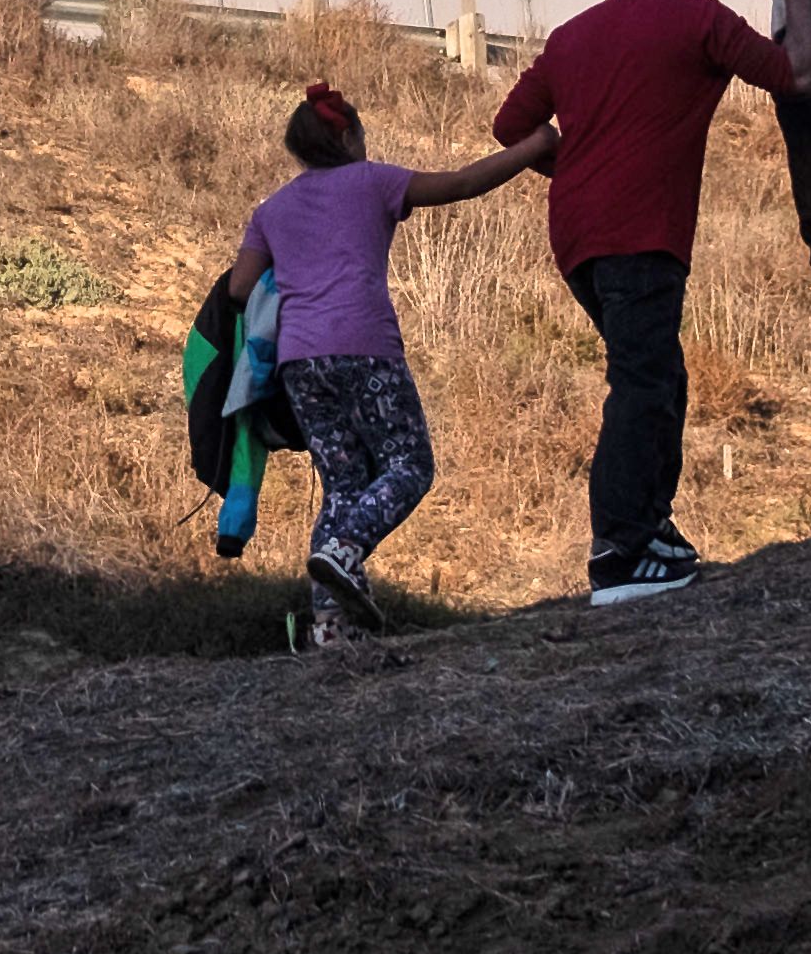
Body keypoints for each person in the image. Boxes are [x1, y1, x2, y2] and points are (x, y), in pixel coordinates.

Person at [489, 0, 811, 603]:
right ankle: (618, 548)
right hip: (641, 232)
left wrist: (570, 161)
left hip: (575, 236)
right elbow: (796, 75)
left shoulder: (571, 35)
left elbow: (509, 124)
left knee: (659, 375)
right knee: (641, 383)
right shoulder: (698, 18)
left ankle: (651, 527)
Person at [214, 82, 559, 644]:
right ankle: (343, 550)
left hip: (299, 363)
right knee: (409, 466)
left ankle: (330, 628)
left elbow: (239, 286)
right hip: (364, 347)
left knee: (344, 484)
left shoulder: (271, 210)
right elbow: (464, 183)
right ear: (348, 135)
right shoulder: (372, 180)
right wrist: (534, 145)